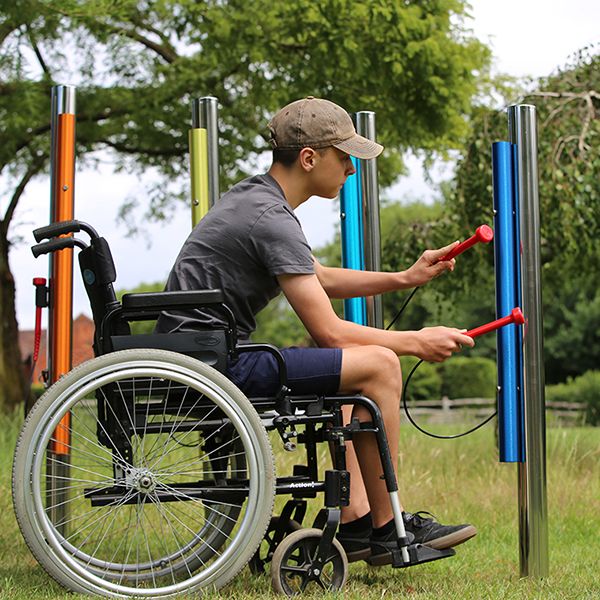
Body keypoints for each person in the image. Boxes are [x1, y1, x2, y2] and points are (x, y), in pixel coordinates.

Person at [156, 96, 477, 565]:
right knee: (380, 363)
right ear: (310, 158)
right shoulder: (271, 218)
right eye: (344, 157)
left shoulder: (257, 199)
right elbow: (330, 332)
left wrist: (407, 277)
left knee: (351, 372)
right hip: (209, 364)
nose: (351, 169)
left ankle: (356, 521)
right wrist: (414, 342)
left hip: (204, 353)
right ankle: (390, 528)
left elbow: (318, 276)